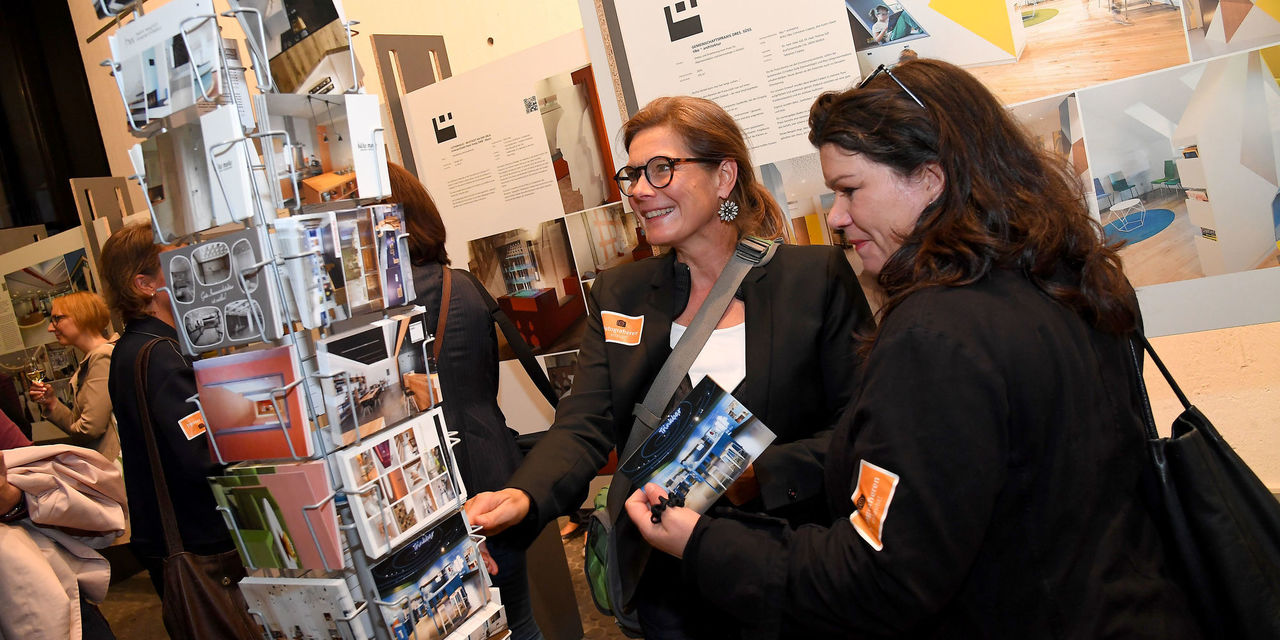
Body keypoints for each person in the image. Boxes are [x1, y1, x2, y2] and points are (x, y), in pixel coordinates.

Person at [624, 59, 1202, 638]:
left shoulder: (936, 334)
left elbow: (879, 580)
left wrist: (702, 542)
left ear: (931, 178)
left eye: (850, 190)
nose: (838, 217)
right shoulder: (1072, 281)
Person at [467, 95, 873, 638]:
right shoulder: (621, 293)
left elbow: (862, 429)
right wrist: (524, 495)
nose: (638, 189)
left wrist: (759, 475)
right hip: (669, 592)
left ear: (724, 176)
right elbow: (582, 424)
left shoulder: (814, 278)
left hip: (784, 573)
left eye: (661, 169)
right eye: (633, 173)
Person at [386, 162, 544, 640]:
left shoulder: (381, 308)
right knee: (517, 617)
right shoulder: (467, 286)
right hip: (492, 469)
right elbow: (482, 383)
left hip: (428, 489)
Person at [99, 223, 239, 600]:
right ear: (144, 285)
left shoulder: (136, 347)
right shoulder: (160, 354)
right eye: (176, 263)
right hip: (199, 540)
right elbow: (199, 456)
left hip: (171, 535)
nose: (192, 271)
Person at [28, 291, 120, 462]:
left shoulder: (102, 357)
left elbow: (90, 429)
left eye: (57, 319)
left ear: (82, 316)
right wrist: (52, 403)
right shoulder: (94, 358)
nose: (50, 327)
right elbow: (81, 422)